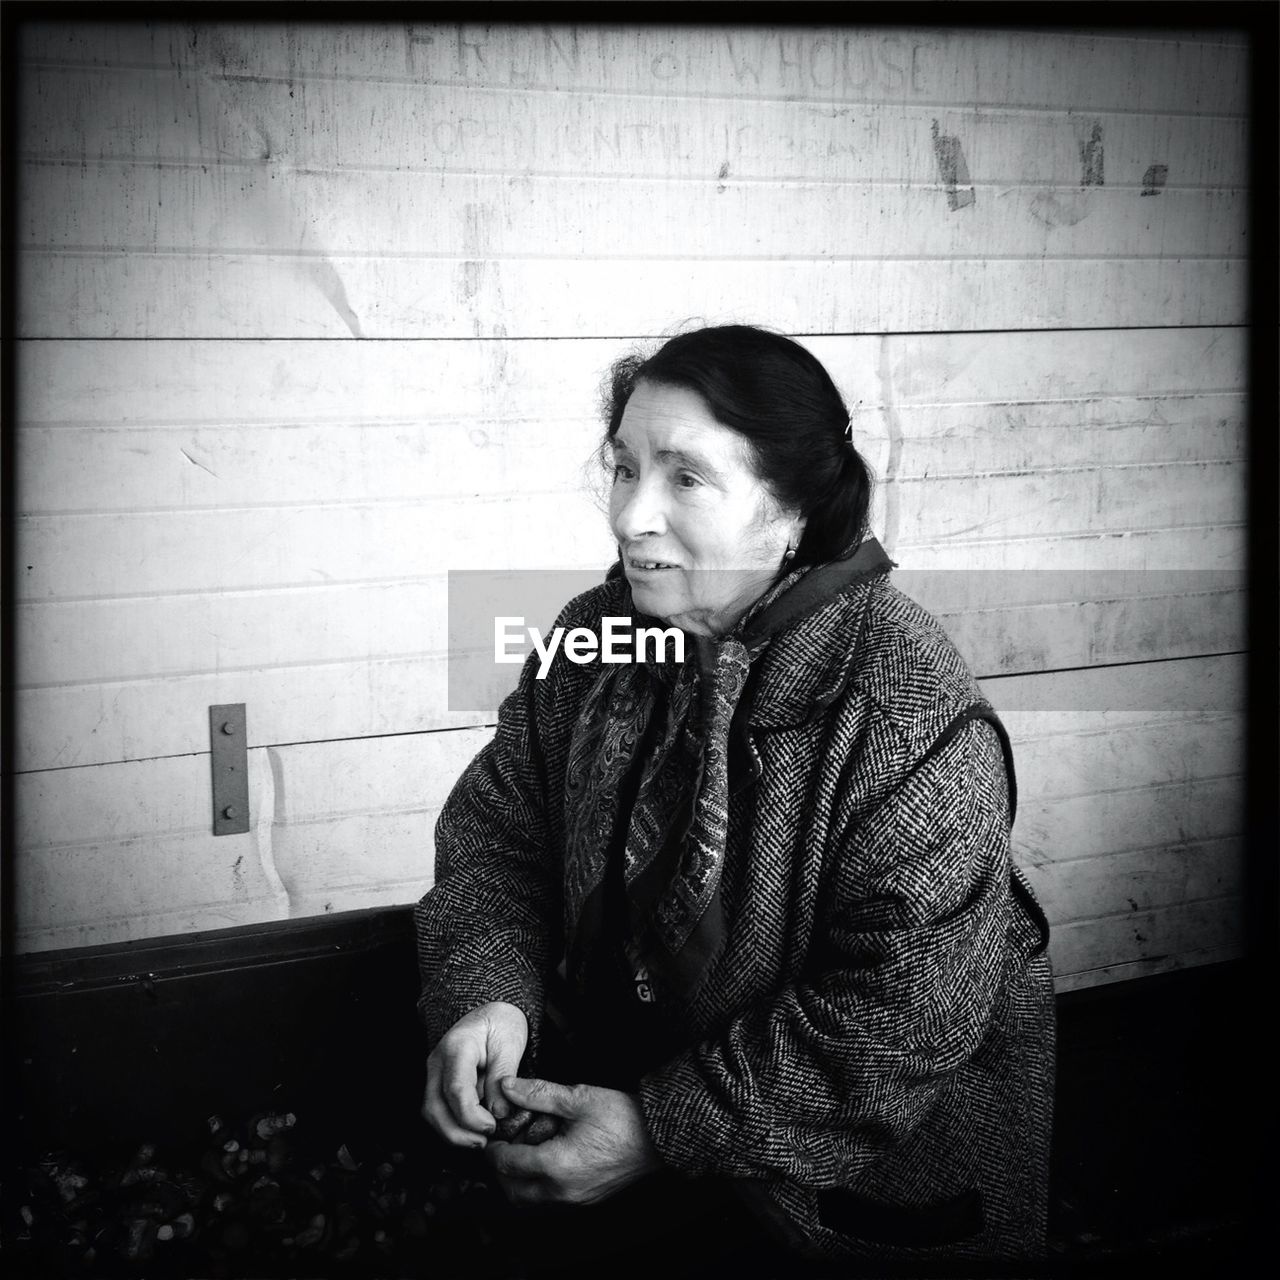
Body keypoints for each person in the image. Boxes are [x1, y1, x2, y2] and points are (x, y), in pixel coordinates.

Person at [414, 325, 1055, 1275]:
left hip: (841, 1201)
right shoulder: (600, 637)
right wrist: (492, 1002)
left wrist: (659, 1130)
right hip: (616, 1117)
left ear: (792, 512)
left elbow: (891, 1027)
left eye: (684, 478)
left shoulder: (903, 709)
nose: (631, 516)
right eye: (624, 468)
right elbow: (500, 841)